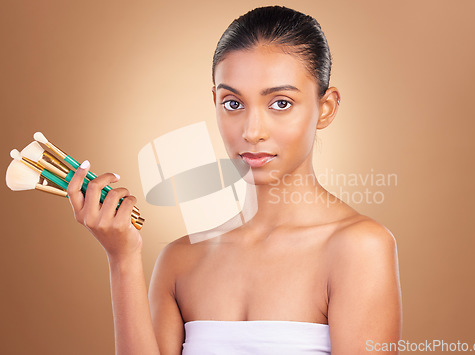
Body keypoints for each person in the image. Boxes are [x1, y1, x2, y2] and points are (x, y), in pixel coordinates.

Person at [67, 5, 402, 355]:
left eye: (281, 103)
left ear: (326, 108)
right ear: (214, 102)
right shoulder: (180, 261)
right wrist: (122, 260)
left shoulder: (360, 248)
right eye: (232, 103)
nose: (252, 131)